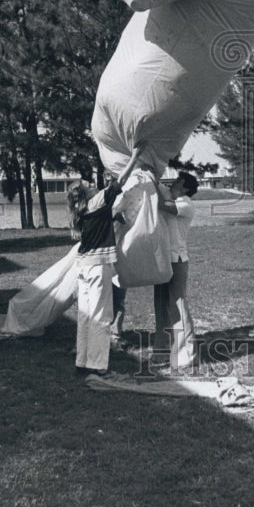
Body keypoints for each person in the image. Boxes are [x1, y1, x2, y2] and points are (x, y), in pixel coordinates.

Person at [74, 146, 144, 377]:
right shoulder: (96, 203)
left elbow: (109, 214)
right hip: (97, 266)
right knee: (101, 317)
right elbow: (121, 181)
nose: (93, 185)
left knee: (85, 316)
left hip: (83, 266)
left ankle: (82, 361)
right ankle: (98, 365)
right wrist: (135, 156)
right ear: (86, 195)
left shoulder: (82, 210)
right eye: (89, 186)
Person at [151, 171, 199, 373]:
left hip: (178, 261)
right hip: (163, 259)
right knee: (161, 305)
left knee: (177, 304)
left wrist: (152, 182)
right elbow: (159, 193)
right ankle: (162, 350)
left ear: (186, 187)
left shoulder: (186, 203)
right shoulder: (173, 197)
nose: (173, 183)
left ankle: (188, 353)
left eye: (178, 181)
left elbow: (162, 204)